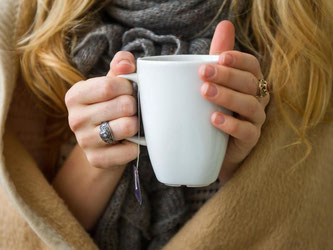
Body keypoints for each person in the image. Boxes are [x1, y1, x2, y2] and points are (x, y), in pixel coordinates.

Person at [0, 0, 332, 250]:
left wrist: (240, 163)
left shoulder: (308, 32)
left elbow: (305, 225)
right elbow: (26, 234)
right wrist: (108, 145)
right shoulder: (25, 28)